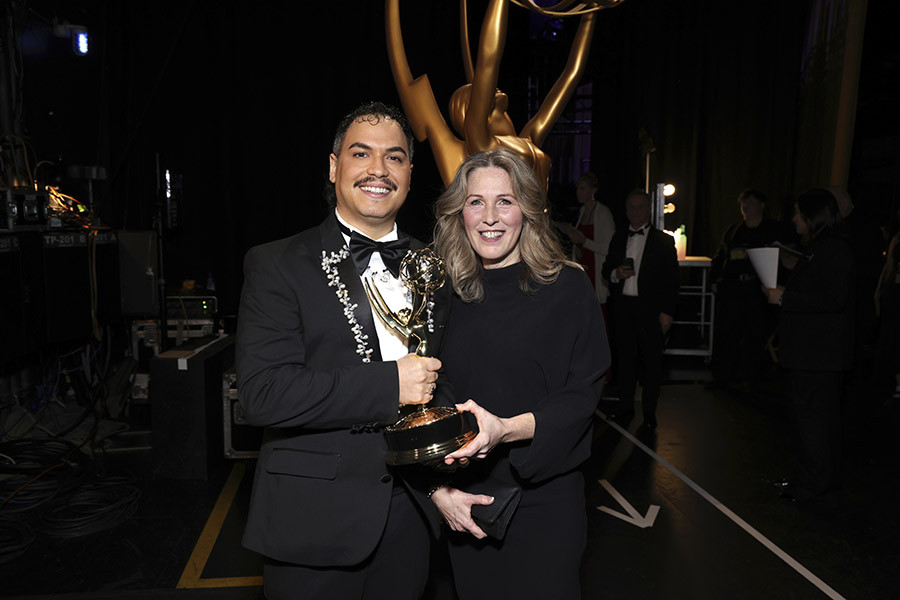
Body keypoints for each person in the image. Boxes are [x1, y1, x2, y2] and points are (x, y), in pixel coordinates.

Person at [235, 101, 446, 600]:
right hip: (314, 520)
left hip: (411, 516)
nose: (379, 169)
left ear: (409, 175)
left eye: (395, 157)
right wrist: (391, 384)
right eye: (361, 153)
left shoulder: (436, 265)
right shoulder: (277, 263)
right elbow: (262, 394)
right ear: (334, 168)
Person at [428, 148, 610, 600]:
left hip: (545, 502)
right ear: (459, 213)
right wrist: (437, 489)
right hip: (466, 502)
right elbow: (429, 394)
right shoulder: (443, 294)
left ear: (527, 210)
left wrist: (506, 429)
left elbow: (582, 395)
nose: (490, 217)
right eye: (476, 202)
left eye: (504, 201)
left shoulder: (568, 287)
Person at [764, 188, 853, 504]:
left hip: (818, 356)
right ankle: (810, 478)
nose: (794, 219)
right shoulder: (819, 246)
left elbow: (834, 299)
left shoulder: (835, 249)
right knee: (808, 421)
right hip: (810, 354)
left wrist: (785, 297)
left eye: (798, 213)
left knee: (814, 422)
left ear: (812, 216)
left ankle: (815, 484)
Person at [601, 190, 679, 431]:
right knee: (625, 362)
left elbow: (671, 280)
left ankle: (649, 414)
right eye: (631, 207)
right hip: (623, 309)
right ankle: (625, 409)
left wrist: (667, 312)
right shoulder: (618, 237)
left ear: (649, 210)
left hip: (651, 311)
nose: (635, 211)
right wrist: (616, 273)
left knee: (652, 364)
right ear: (626, 211)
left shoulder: (663, 241)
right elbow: (606, 270)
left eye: (640, 207)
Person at [707, 189, 785, 391]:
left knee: (754, 335)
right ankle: (722, 377)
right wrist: (714, 279)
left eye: (750, 201)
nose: (745, 205)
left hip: (758, 291)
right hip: (733, 289)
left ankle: (751, 379)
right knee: (727, 333)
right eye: (743, 202)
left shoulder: (773, 230)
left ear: (762, 205)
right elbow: (720, 255)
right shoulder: (734, 230)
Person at [558, 172, 616, 303]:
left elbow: (609, 248)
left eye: (583, 188)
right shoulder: (582, 210)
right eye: (578, 188)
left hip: (595, 269)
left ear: (593, 190)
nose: (578, 192)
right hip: (582, 266)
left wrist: (584, 241)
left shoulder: (603, 213)